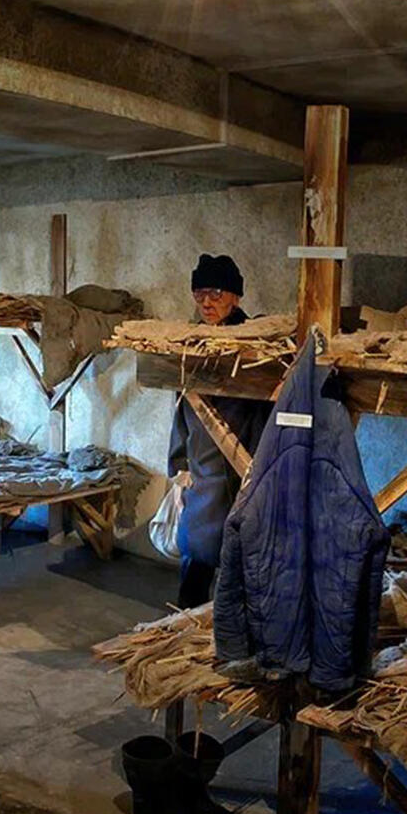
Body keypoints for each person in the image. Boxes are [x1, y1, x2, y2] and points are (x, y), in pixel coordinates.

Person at [167, 254, 272, 609]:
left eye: (216, 293)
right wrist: (179, 464)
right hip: (204, 467)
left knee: (240, 554)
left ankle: (230, 624)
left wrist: (262, 466)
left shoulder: (254, 343)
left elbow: (266, 410)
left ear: (235, 297)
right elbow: (180, 407)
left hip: (242, 463)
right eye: (200, 294)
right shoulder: (192, 341)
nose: (207, 302)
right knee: (197, 550)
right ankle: (187, 620)